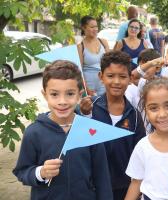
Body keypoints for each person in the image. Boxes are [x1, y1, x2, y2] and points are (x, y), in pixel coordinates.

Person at [13, 60, 112, 200]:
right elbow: (22, 171)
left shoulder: (90, 130)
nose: (62, 101)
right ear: (45, 94)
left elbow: (102, 177)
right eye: (54, 94)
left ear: (79, 94)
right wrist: (41, 172)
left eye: (70, 94)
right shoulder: (34, 132)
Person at [79, 51, 146, 200]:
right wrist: (84, 116)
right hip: (93, 185)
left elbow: (140, 156)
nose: (116, 81)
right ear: (101, 76)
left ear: (130, 79)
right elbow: (80, 145)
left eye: (122, 76)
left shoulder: (134, 116)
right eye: (110, 76)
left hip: (124, 187)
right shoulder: (89, 108)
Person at [77, 16, 110, 96]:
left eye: (96, 26)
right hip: (89, 86)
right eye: (92, 27)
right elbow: (79, 71)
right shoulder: (80, 46)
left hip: (104, 84)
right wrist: (86, 89)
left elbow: (110, 64)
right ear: (83, 28)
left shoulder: (103, 42)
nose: (95, 29)